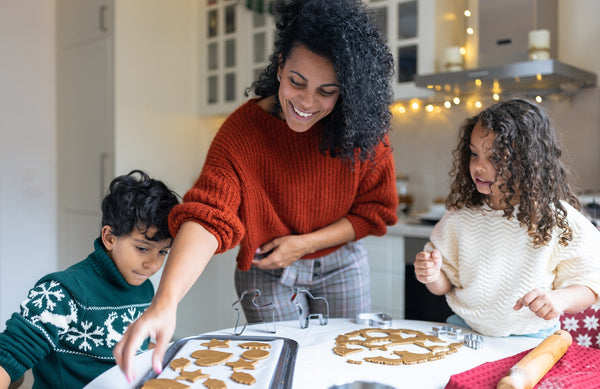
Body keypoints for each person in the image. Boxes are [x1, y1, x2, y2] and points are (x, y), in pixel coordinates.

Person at [113, 0, 398, 382]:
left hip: (342, 263)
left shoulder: (364, 136)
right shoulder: (242, 133)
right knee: (284, 370)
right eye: (297, 81)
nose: (307, 102)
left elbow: (375, 211)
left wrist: (303, 244)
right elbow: (207, 215)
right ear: (279, 65)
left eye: (327, 91)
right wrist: (165, 302)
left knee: (348, 364)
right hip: (266, 271)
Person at [414, 98, 600, 338]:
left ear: (527, 161)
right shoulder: (460, 217)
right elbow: (444, 285)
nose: (479, 167)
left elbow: (591, 283)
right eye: (474, 154)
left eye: (494, 158)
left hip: (533, 336)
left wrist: (560, 299)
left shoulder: (555, 218)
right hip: (466, 330)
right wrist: (431, 275)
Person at [0, 170, 179, 388]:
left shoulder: (145, 289)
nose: (153, 264)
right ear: (109, 238)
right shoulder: (61, 293)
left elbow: (136, 348)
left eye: (163, 252)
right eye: (142, 248)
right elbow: (7, 359)